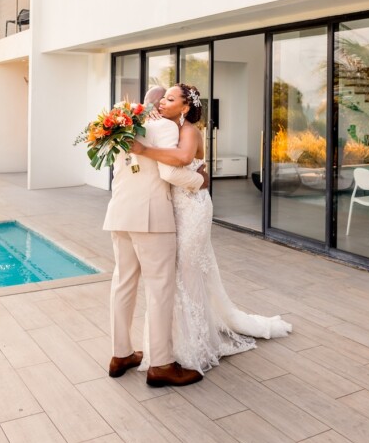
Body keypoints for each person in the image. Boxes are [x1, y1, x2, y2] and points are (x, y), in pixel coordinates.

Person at [130, 83, 292, 373]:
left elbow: (181, 159)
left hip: (193, 207)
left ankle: (196, 346)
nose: (162, 103)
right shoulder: (169, 128)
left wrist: (143, 149)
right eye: (162, 99)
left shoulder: (190, 131)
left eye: (169, 99)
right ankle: (173, 342)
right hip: (176, 208)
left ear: (186, 107)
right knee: (179, 273)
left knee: (188, 272)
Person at [103, 89, 209, 388]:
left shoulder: (122, 124)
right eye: (163, 99)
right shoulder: (163, 126)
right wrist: (200, 180)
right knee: (160, 288)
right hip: (150, 217)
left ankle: (120, 354)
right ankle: (161, 364)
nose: (162, 104)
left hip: (120, 211)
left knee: (123, 282)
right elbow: (171, 173)